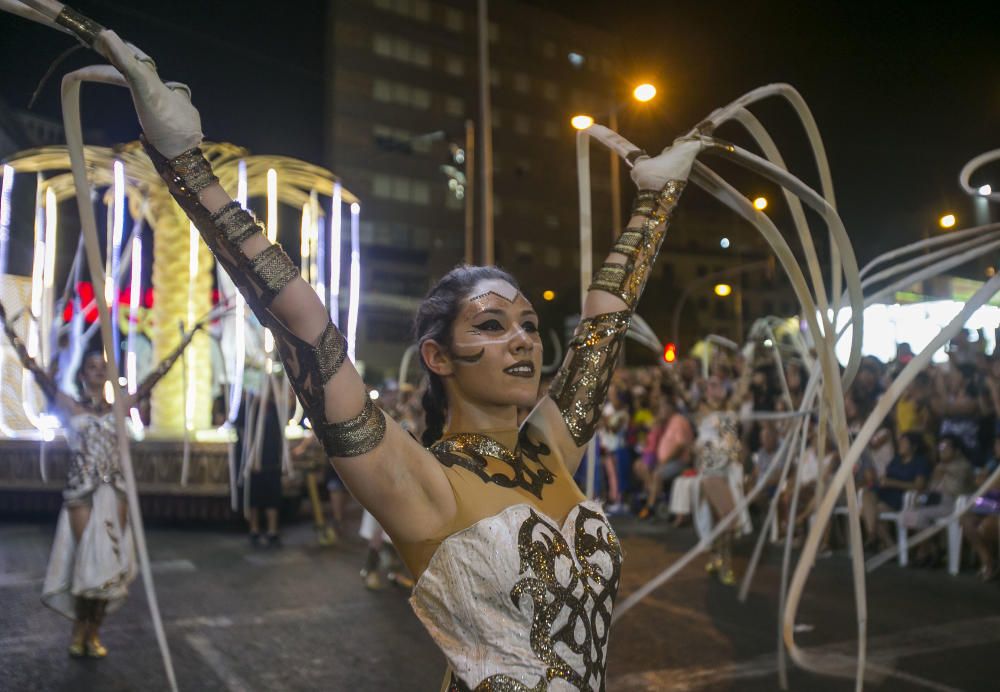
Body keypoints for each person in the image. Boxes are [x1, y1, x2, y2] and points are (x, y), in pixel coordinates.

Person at [97, 28, 702, 688]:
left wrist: (655, 199)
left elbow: (603, 328)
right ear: (438, 357)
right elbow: (305, 325)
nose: (524, 338)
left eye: (527, 324)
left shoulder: (551, 448)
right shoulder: (418, 478)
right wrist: (182, 162)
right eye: (494, 325)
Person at [0, 300, 199, 658]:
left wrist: (186, 343)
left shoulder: (120, 407)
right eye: (91, 367)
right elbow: (34, 370)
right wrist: (9, 329)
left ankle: (94, 631)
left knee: (108, 562)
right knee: (87, 561)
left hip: (116, 490)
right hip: (82, 491)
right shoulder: (69, 406)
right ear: (83, 374)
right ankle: (79, 628)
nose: (96, 371)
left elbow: (157, 376)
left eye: (102, 367)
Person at [860, 431, 931, 549]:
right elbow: (888, 475)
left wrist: (893, 483)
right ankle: (877, 537)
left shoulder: (920, 461)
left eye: (904, 443)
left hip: (905, 497)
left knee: (869, 511)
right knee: (867, 495)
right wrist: (884, 480)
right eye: (900, 442)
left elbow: (919, 486)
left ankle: (884, 542)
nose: (900, 445)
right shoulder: (896, 459)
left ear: (914, 446)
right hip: (887, 493)